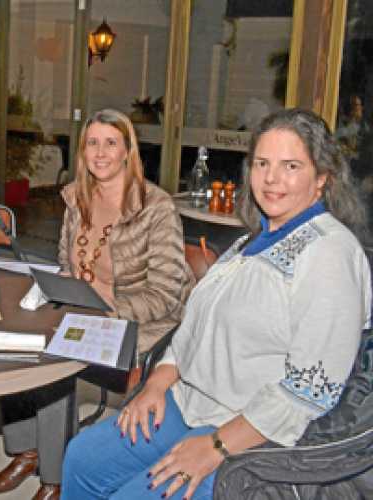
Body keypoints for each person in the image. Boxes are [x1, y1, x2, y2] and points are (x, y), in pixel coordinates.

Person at [61, 108, 372, 500]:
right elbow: (193, 327)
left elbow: (309, 391)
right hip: (189, 400)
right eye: (262, 163)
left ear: (322, 178)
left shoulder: (329, 252)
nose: (272, 178)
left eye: (290, 165)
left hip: (251, 429)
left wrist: (216, 447)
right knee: (83, 458)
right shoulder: (252, 240)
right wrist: (156, 383)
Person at [0, 109, 194, 500]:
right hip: (84, 308)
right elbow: (68, 264)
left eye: (111, 143)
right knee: (15, 342)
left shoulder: (156, 207)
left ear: (128, 151)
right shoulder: (76, 197)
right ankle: (27, 449)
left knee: (56, 361)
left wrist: (106, 304)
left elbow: (165, 296)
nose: (100, 153)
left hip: (140, 323)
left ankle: (55, 475)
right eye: (92, 143)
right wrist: (68, 287)